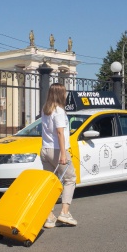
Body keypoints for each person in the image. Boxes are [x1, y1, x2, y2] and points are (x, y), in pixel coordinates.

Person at [40, 83, 77, 228]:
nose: (66, 94)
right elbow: (60, 132)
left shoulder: (45, 109)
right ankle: (64, 213)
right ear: (60, 94)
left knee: (51, 184)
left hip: (45, 149)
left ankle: (49, 216)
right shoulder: (59, 111)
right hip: (57, 150)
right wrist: (63, 153)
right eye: (65, 92)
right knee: (70, 179)